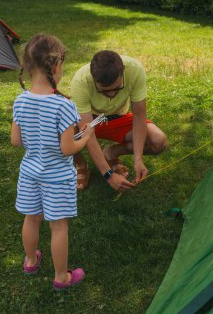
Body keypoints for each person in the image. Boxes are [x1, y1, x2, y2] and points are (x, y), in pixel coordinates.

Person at [11, 34, 93, 290]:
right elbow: (68, 148)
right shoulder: (64, 106)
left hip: (30, 173)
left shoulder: (20, 100)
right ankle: (61, 277)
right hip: (57, 177)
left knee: (31, 218)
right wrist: (86, 136)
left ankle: (29, 261)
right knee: (58, 227)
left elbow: (16, 140)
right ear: (55, 66)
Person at [71, 50, 168, 192]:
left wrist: (138, 158)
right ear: (93, 78)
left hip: (119, 117)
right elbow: (88, 133)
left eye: (117, 89)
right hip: (89, 121)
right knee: (59, 133)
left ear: (123, 72)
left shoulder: (135, 70)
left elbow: (139, 116)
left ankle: (111, 152)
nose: (111, 94)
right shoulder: (80, 80)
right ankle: (81, 165)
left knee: (159, 141)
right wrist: (108, 175)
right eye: (104, 91)